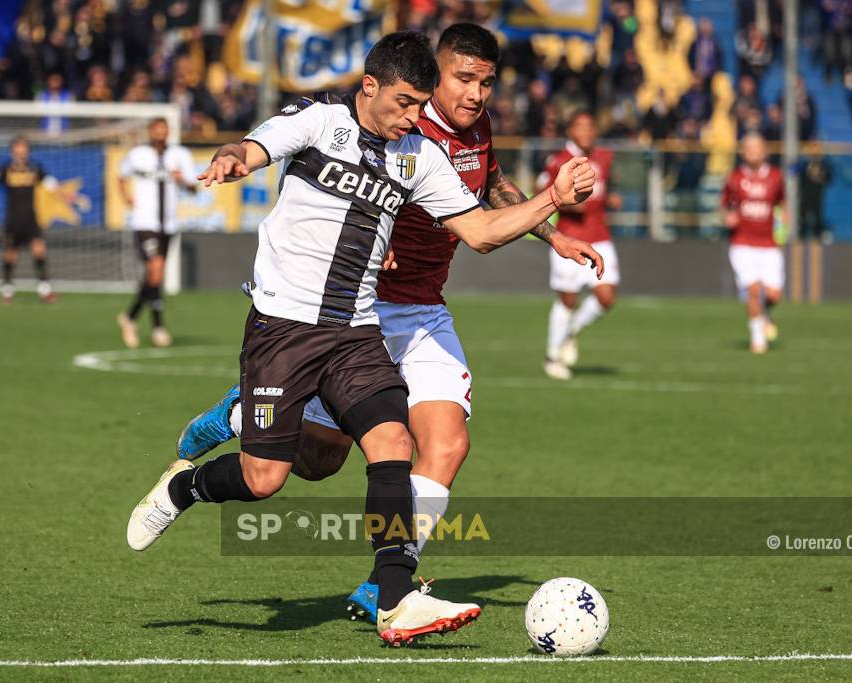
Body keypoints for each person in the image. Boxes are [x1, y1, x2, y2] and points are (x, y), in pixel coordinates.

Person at [126, 31, 597, 645]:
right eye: (407, 103)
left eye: (421, 103)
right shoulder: (321, 121)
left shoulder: (422, 153)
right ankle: (190, 480)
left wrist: (554, 207)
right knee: (283, 474)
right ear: (372, 86)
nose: (415, 117)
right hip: (285, 330)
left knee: (398, 441)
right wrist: (237, 157)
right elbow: (258, 143)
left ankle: (394, 594)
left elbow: (480, 226)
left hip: (361, 325)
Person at [538, 111, 621, 379]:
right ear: (570, 131)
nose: (586, 132)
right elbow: (544, 193)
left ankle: (571, 331)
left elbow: (607, 188)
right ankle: (552, 356)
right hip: (569, 237)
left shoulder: (604, 157)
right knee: (568, 299)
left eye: (590, 126)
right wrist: (568, 202)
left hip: (600, 235)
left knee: (606, 297)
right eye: (580, 127)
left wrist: (612, 200)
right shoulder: (559, 161)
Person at [116, 118, 197, 348]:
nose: (160, 134)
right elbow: (120, 175)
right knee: (156, 267)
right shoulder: (138, 154)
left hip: (168, 224)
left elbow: (193, 188)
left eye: (164, 131)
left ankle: (130, 317)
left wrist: (182, 181)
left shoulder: (180, 154)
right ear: (150, 132)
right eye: (156, 130)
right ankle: (158, 327)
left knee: (155, 275)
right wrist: (125, 196)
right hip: (145, 222)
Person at [721, 133, 786, 354]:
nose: (753, 152)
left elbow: (781, 204)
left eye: (757, 148)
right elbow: (725, 206)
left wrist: (783, 222)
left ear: (765, 151)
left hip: (769, 243)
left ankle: (765, 313)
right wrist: (727, 217)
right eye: (749, 148)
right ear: (742, 152)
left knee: (773, 294)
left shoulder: (776, 177)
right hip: (743, 243)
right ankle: (758, 338)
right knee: (753, 290)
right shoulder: (734, 178)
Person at [0, 137, 58, 304]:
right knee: (10, 255)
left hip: (31, 219)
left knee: (39, 251)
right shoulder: (5, 169)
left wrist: (66, 195)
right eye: (18, 148)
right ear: (13, 150)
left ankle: (45, 290)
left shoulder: (35, 167)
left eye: (24, 148)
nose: (21, 151)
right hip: (13, 220)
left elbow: (51, 185)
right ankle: (7, 290)